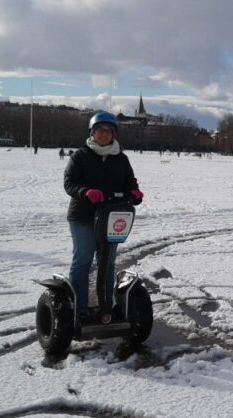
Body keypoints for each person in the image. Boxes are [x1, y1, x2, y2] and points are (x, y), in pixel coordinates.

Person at [63, 111, 144, 323]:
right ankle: (79, 309)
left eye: (109, 131)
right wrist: (85, 192)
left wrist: (135, 194)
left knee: (107, 263)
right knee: (83, 261)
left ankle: (105, 307)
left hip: (111, 218)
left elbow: (130, 183)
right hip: (84, 217)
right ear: (93, 132)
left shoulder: (121, 158)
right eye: (100, 130)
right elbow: (70, 183)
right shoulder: (80, 156)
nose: (105, 134)